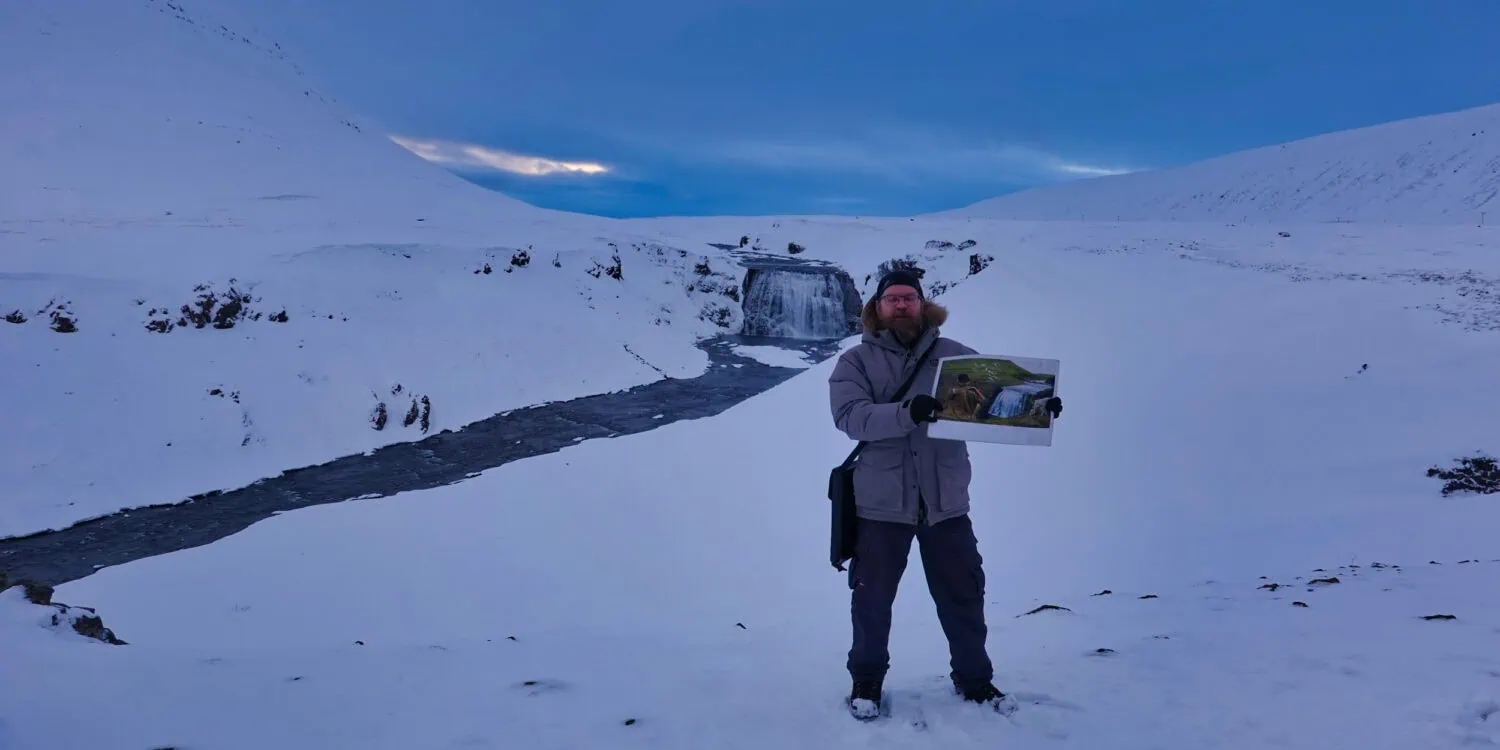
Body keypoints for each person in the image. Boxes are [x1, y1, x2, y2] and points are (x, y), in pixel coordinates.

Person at [827, 268, 1061, 720]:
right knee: (871, 599)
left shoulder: (955, 358)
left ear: (923, 305)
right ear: (876, 308)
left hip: (946, 502)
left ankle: (974, 679)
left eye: (908, 298)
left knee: (964, 594)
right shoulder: (854, 363)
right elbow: (851, 417)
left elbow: (997, 401)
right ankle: (867, 682)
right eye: (891, 299)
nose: (900, 305)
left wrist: (1040, 407)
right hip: (881, 504)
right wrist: (905, 413)